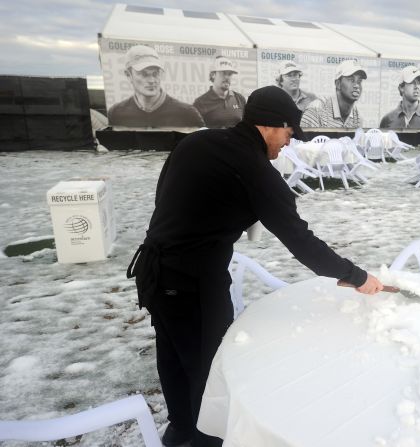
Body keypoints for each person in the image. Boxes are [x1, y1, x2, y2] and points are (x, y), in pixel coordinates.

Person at [126, 85, 383, 447]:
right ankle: (205, 437)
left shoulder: (196, 142)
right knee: (210, 371)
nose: (290, 143)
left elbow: (167, 196)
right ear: (272, 126)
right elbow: (301, 241)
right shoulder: (256, 170)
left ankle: (180, 427)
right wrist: (357, 277)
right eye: (290, 132)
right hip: (193, 283)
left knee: (172, 354)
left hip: (154, 272)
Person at [108, 45, 204, 128]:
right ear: (128, 75)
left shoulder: (187, 113)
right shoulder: (116, 113)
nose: (151, 80)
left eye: (155, 73)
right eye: (144, 74)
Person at [300, 60, 366, 128]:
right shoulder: (316, 110)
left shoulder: (357, 117)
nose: (357, 85)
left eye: (359, 81)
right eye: (351, 80)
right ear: (338, 84)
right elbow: (304, 138)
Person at [193, 56, 247, 128]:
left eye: (230, 74)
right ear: (213, 75)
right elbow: (195, 133)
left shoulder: (240, 99)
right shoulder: (200, 102)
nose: (227, 77)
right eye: (223, 73)